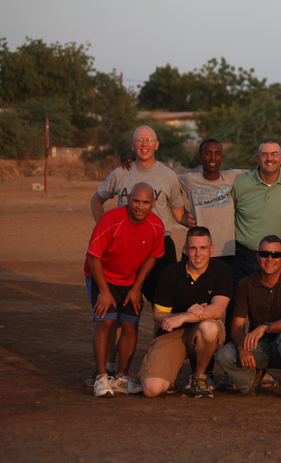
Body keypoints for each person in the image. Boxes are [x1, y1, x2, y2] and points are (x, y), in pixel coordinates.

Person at [85, 125, 188, 386]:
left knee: (162, 308)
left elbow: (178, 214)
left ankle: (156, 365)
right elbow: (96, 200)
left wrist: (206, 224)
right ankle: (108, 370)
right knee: (117, 312)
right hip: (123, 250)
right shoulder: (122, 171)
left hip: (159, 247)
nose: (144, 144)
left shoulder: (168, 175)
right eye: (139, 140)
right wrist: (106, 231)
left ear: (157, 145)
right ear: (132, 146)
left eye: (149, 140)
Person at [228, 137, 281, 389]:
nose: (269, 158)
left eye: (274, 154)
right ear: (257, 158)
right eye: (264, 154)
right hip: (244, 253)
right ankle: (237, 363)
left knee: (269, 310)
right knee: (236, 312)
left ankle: (264, 368)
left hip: (273, 258)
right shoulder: (241, 182)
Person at [85, 182, 165, 398]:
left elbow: (153, 256)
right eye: (136, 201)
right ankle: (101, 377)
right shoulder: (111, 219)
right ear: (128, 199)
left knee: (131, 325)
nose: (140, 206)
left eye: (146, 202)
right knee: (106, 321)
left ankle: (122, 375)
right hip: (102, 275)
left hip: (130, 280)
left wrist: (137, 287)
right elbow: (93, 256)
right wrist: (103, 291)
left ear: (153, 203)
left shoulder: (157, 225)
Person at [138, 227, 233, 398]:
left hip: (200, 329)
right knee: (151, 390)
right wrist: (179, 319)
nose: (198, 254)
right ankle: (170, 374)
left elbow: (218, 309)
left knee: (210, 327)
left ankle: (199, 377)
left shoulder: (222, 271)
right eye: (193, 248)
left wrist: (184, 316)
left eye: (203, 248)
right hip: (172, 334)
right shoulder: (170, 273)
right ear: (185, 249)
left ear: (211, 249)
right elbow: (158, 317)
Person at [179, 138, 281, 265]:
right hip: (199, 250)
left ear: (222, 157)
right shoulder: (189, 179)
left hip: (226, 252)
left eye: (217, 154)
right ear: (200, 157)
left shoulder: (232, 177)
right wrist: (181, 215)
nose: (213, 158)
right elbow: (168, 186)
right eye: (208, 153)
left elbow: (267, 169)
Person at [215, 236, 281, 400]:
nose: (270, 259)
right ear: (258, 257)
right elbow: (236, 326)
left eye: (275, 254)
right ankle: (249, 381)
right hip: (258, 346)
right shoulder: (245, 284)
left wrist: (265, 327)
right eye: (265, 254)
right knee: (224, 355)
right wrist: (243, 348)